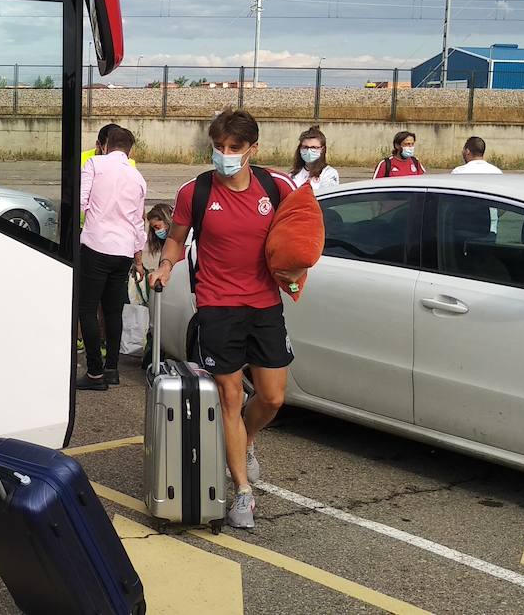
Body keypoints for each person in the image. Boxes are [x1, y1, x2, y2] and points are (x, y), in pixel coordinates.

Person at [148, 109, 301, 530]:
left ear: (253, 148)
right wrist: (165, 266)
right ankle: (242, 494)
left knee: (271, 397)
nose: (225, 154)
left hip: (265, 304)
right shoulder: (194, 191)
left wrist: (296, 269)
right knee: (230, 397)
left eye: (234, 148)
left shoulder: (278, 186)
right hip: (216, 305)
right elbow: (177, 238)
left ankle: (246, 440)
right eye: (219, 147)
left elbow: (300, 234)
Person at [77, 126, 146, 391]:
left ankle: (94, 373)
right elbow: (138, 222)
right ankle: (112, 369)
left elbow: (81, 203)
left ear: (105, 145)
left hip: (96, 245)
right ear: (130, 150)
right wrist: (138, 261)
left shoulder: (95, 164)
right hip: (124, 252)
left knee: (87, 309)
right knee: (113, 310)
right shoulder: (138, 177)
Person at [289, 126, 340, 194]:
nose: (309, 151)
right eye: (305, 147)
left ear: (322, 149)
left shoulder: (329, 174)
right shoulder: (293, 174)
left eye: (314, 147)